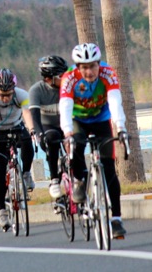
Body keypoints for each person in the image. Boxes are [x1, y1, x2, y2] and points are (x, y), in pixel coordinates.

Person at [59, 43, 128, 239]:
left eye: (93, 66)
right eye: (84, 67)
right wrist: (67, 132)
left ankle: (116, 219)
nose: (89, 71)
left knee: (109, 170)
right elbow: (65, 106)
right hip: (78, 120)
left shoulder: (108, 73)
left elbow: (115, 101)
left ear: (99, 64)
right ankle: (80, 180)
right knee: (75, 148)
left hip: (100, 120)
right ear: (78, 68)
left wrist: (121, 128)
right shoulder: (69, 78)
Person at [0, 68, 35, 231]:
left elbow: (26, 113)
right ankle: (2, 210)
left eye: (8, 94)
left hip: (16, 127)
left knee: (28, 143)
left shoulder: (22, 95)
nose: (5, 98)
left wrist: (32, 130)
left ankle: (25, 174)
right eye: (2, 94)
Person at [29, 55, 69, 199]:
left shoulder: (69, 87)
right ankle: (54, 181)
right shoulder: (36, 90)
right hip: (48, 126)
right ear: (48, 78)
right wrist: (40, 136)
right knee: (52, 138)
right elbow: (34, 118)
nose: (65, 78)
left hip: (67, 125)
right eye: (61, 76)